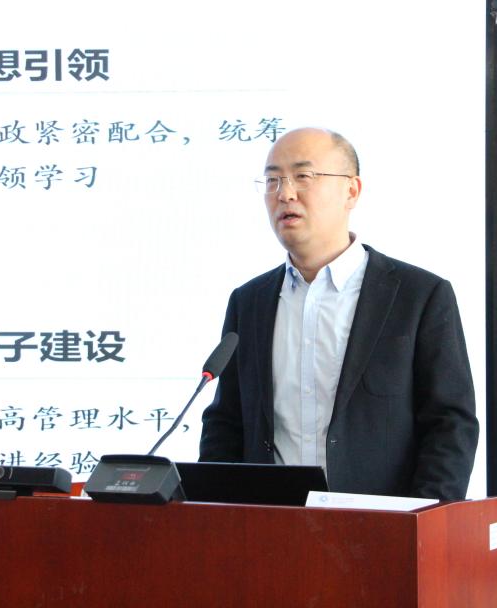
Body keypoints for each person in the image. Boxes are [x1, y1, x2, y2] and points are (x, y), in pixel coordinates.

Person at [199, 127, 479, 500]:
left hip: (382, 524)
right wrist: (214, 509)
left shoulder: (419, 296)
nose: (285, 193)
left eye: (303, 176)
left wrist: (424, 518)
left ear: (351, 190)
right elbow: (227, 422)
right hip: (271, 522)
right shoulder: (249, 302)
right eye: (272, 180)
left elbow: (450, 425)